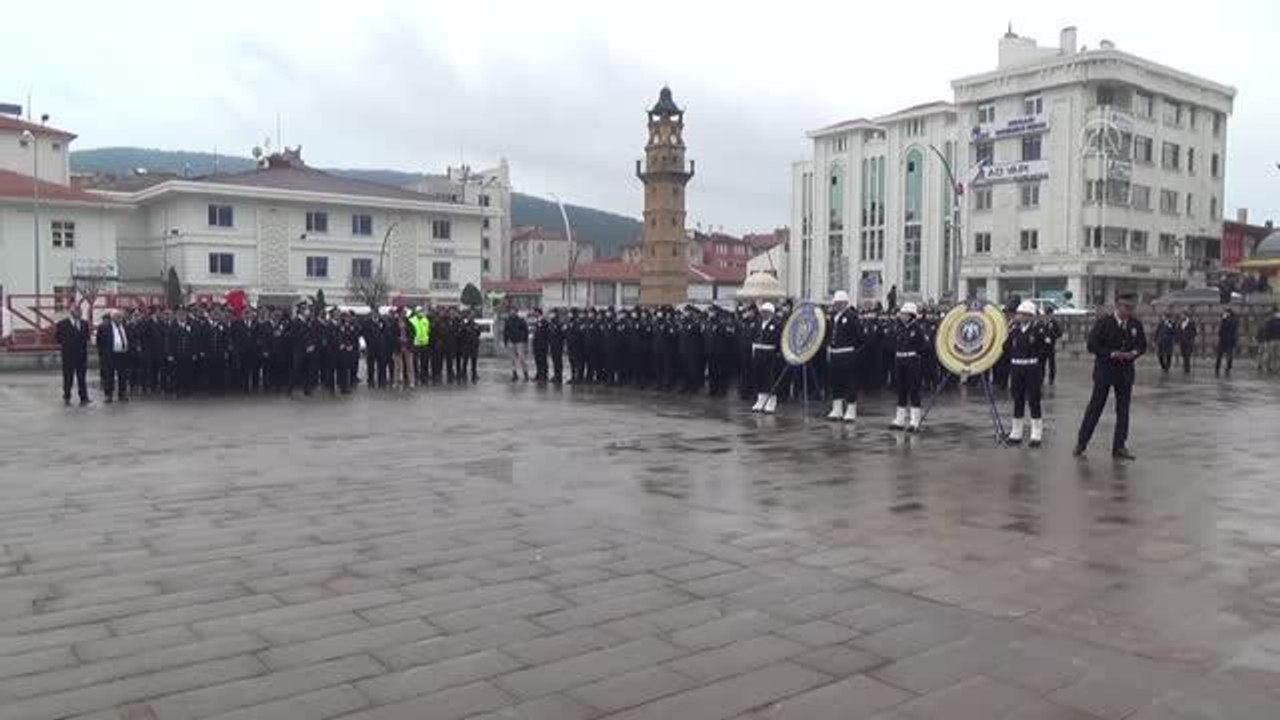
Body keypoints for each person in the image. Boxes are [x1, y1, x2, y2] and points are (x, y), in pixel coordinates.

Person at [1074, 294, 1147, 461]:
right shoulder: (1104, 322)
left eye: (1131, 308)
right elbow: (1092, 345)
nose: (1128, 311)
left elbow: (1142, 345)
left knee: (1123, 411)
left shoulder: (1135, 324)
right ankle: (1081, 442)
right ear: (1117, 306)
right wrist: (1111, 353)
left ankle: (1119, 446)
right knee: (1095, 408)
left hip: (1125, 372)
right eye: (1125, 307)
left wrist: (1134, 353)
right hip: (1105, 371)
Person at [1005, 301, 1051, 446]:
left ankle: (1036, 434)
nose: (1019, 316)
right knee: (1017, 399)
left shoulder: (1038, 331)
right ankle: (1016, 433)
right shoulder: (1014, 330)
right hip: (1017, 368)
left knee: (1033, 400)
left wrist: (1037, 362)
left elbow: (1046, 348)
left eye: (1023, 314)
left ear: (1030, 316)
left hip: (1032, 368)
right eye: (1019, 314)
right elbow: (1005, 347)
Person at [825, 290, 864, 422]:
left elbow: (858, 336)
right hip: (835, 354)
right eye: (836, 303)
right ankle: (837, 408)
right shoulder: (833, 317)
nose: (837, 305)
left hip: (848, 353)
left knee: (849, 382)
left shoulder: (851, 316)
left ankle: (851, 409)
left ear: (845, 303)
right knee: (836, 381)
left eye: (839, 303)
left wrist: (853, 351)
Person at [890, 302, 928, 431]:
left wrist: (916, 357)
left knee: (913, 390)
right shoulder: (899, 328)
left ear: (911, 315)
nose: (902, 316)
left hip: (912, 360)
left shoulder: (917, 329)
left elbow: (923, 347)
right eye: (901, 314)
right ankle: (900, 419)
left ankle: (914, 420)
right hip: (900, 359)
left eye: (904, 314)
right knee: (901, 390)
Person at [55, 306, 92, 405]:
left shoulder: (84, 324)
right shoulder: (62, 324)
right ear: (72, 312)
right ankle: (67, 396)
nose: (80, 313)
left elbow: (87, 338)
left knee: (82, 378)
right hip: (68, 356)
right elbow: (58, 339)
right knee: (68, 377)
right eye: (77, 311)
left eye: (80, 312)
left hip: (81, 356)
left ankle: (84, 397)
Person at [750, 302, 782, 413]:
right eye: (762, 312)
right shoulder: (758, 324)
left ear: (771, 313)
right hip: (759, 352)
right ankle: (761, 400)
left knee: (770, 378)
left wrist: (777, 353)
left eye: (766, 312)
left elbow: (778, 341)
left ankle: (771, 401)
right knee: (759, 377)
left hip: (770, 353)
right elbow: (753, 337)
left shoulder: (777, 324)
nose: (764, 314)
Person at [96, 310, 131, 403]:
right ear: (112, 318)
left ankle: (122, 393)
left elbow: (129, 338)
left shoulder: (125, 327)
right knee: (109, 375)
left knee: (122, 375)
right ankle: (108, 395)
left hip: (123, 354)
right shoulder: (104, 327)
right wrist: (102, 354)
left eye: (120, 317)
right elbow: (99, 342)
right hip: (111, 354)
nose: (119, 318)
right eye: (117, 316)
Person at [503, 306, 529, 382]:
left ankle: (525, 374)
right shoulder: (508, 321)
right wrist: (505, 341)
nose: (512, 312)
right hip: (511, 341)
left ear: (516, 312)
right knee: (512, 359)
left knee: (522, 358)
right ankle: (514, 374)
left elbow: (526, 331)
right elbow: (505, 332)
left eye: (513, 311)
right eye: (511, 311)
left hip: (520, 341)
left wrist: (525, 341)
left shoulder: (521, 320)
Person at [1214, 308, 1239, 376]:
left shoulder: (1234, 319)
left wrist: (1225, 319)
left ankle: (1228, 368)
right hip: (1223, 340)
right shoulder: (1224, 320)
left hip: (1229, 340)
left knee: (1229, 355)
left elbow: (1231, 326)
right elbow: (1221, 329)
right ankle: (1217, 367)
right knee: (1219, 355)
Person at [1041, 305, 1062, 385]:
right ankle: (1041, 377)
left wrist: (1052, 336)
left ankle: (1051, 378)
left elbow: (1059, 333)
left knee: (1051, 363)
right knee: (1042, 363)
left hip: (1050, 346)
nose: (1047, 315)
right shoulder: (1042, 322)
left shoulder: (1054, 322)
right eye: (1046, 313)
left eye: (1048, 313)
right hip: (1043, 346)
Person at [1258, 306, 1280, 375]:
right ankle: (1268, 367)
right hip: (1272, 339)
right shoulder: (1270, 321)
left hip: (1273, 339)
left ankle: (1272, 367)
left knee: (1273, 354)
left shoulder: (1270, 320)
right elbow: (1266, 330)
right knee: (1271, 354)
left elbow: (1266, 330)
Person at [530, 308, 550, 383]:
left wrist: (546, 343)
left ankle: (544, 375)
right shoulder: (536, 321)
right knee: (537, 360)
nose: (534, 314)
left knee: (543, 360)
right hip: (536, 343)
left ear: (539, 313)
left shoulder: (544, 321)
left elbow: (546, 333)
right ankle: (538, 374)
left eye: (535, 312)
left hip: (543, 344)